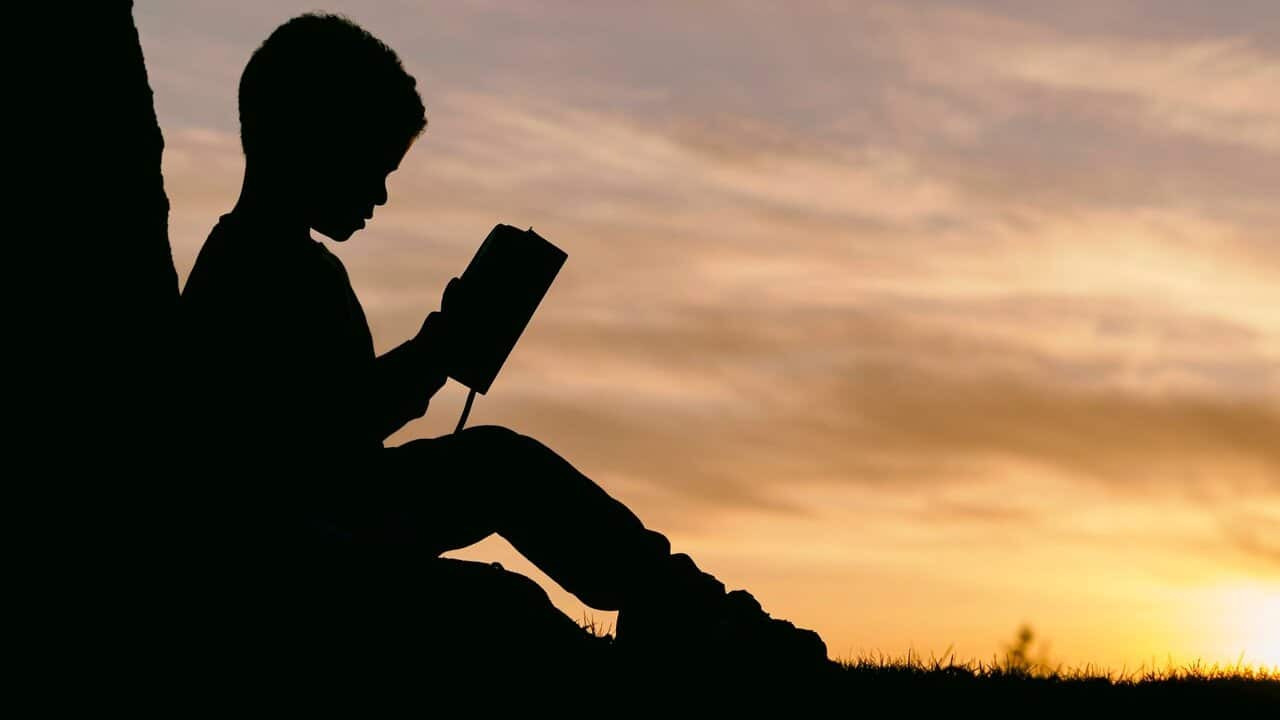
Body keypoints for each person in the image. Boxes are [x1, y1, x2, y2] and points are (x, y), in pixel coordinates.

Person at [178, 12, 826, 673]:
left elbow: (337, 423)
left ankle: (686, 610)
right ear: (311, 138)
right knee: (505, 605)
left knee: (500, 463)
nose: (378, 195)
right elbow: (305, 447)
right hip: (289, 562)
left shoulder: (288, 262)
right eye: (370, 164)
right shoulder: (250, 269)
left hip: (335, 518)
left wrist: (438, 348)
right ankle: (680, 648)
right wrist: (435, 353)